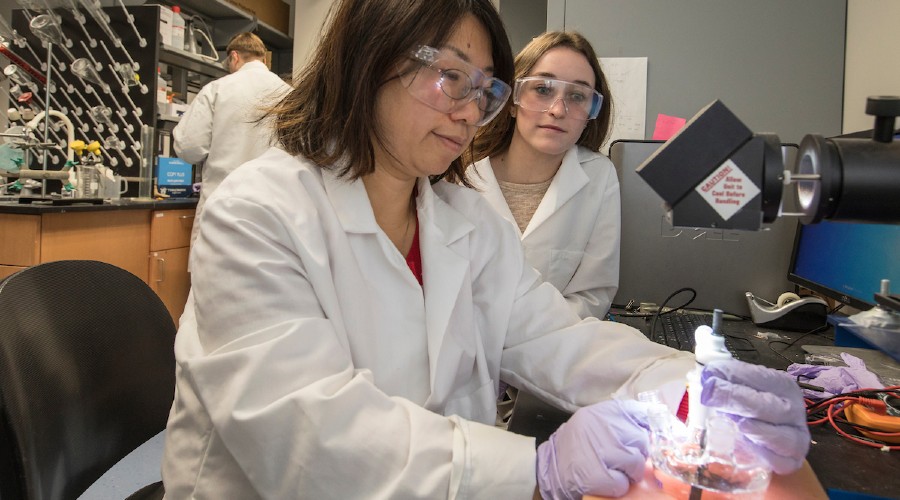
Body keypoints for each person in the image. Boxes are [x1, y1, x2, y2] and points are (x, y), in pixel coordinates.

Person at [161, 0, 810, 498]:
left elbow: (559, 336)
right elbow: (306, 435)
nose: (475, 111)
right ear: (368, 59)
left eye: (486, 88)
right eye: (451, 77)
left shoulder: (461, 217)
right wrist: (536, 466)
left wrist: (689, 385)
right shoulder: (257, 212)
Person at [467, 31, 618, 321]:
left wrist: (527, 344)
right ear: (512, 101)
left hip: (553, 352)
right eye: (543, 90)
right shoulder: (461, 176)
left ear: (591, 112)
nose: (558, 110)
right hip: (467, 352)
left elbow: (592, 296)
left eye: (577, 96)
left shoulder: (599, 176)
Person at [172, 31, 291, 245]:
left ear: (234, 57)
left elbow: (188, 147)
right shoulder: (289, 95)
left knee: (214, 275)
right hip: (275, 213)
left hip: (223, 209)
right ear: (264, 59)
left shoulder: (217, 90)